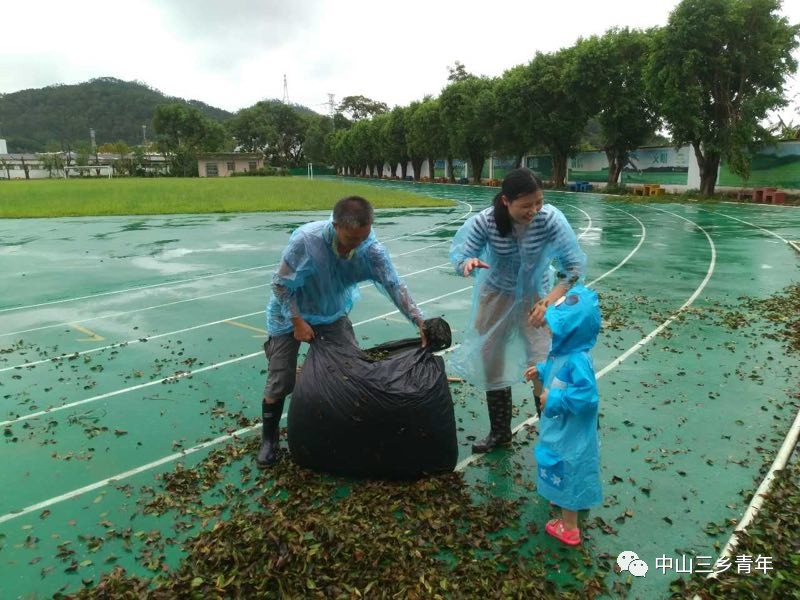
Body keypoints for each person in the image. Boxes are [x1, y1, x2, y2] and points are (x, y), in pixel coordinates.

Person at [257, 196, 427, 467]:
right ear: (335, 225)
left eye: (363, 237)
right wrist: (297, 321)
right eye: (350, 239)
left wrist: (419, 320)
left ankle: (340, 426)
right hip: (289, 314)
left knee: (350, 370)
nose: (356, 245)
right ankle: (269, 439)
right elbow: (279, 285)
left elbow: (395, 285)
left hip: (331, 313)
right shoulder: (306, 241)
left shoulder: (371, 250)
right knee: (281, 379)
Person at [449, 167, 586, 453]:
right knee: (492, 357)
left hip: (538, 295)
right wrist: (468, 263)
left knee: (541, 363)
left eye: (538, 202)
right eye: (526, 205)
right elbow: (462, 254)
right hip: (496, 293)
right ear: (505, 202)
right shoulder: (485, 222)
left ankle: (551, 435)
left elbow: (573, 268)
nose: (534, 210)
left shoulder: (550, 220)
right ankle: (500, 433)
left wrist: (548, 301)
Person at [523, 284, 602, 546]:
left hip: (572, 432)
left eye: (555, 326)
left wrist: (554, 398)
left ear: (572, 331)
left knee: (569, 466)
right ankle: (562, 493)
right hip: (560, 427)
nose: (549, 329)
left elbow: (588, 397)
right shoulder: (563, 353)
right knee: (558, 462)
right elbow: (558, 373)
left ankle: (569, 528)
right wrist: (541, 370)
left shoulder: (578, 359)